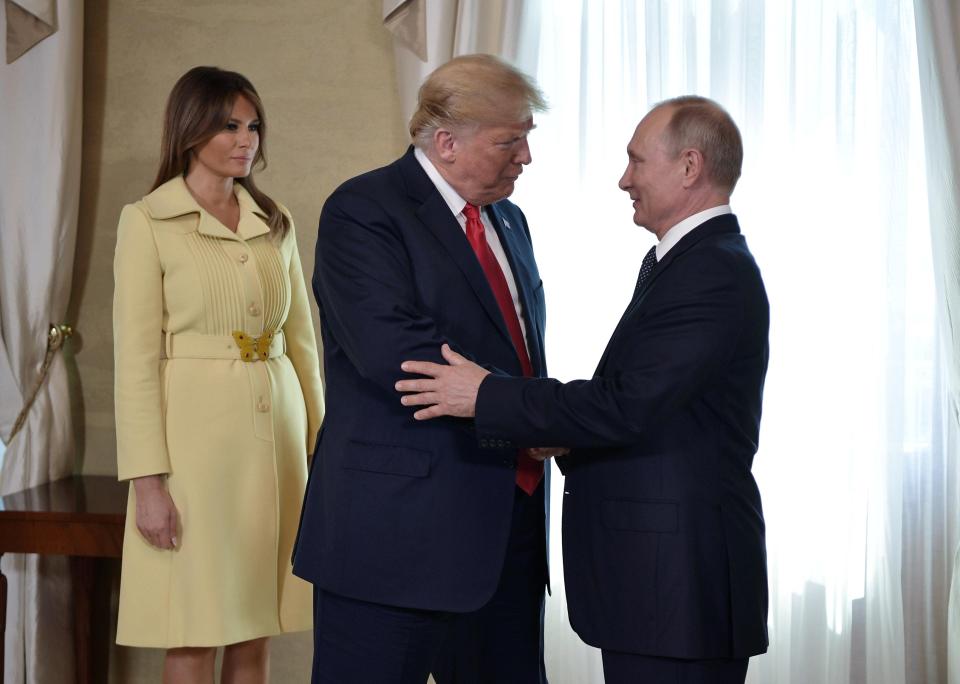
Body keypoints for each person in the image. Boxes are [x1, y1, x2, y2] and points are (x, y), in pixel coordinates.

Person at [397, 96, 770, 684]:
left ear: (690, 166)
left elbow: (628, 403)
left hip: (678, 589)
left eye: (637, 162)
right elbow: (653, 404)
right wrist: (560, 436)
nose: (625, 180)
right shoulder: (692, 261)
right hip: (660, 592)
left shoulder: (711, 271)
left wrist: (487, 395)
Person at [292, 54, 555, 683]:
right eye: (510, 141)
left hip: (507, 533)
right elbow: (403, 359)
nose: (525, 157)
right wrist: (532, 417)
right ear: (447, 143)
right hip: (395, 536)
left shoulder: (510, 220)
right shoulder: (363, 210)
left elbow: (519, 349)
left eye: (527, 139)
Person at [113, 66, 324, 683]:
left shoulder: (274, 219)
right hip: (195, 450)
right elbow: (135, 361)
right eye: (230, 125)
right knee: (195, 626)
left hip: (277, 445)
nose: (246, 139)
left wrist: (323, 447)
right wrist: (147, 484)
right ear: (191, 128)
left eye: (254, 125)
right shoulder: (147, 220)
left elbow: (303, 346)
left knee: (256, 622)